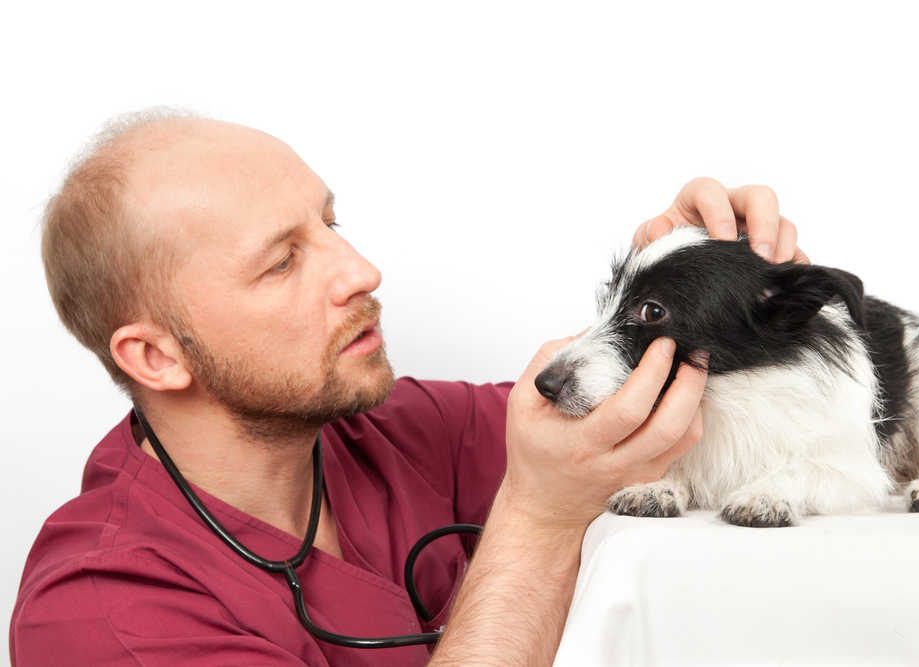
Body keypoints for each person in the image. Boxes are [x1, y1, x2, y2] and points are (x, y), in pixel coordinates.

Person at [10, 109, 804, 666]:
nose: (360, 271)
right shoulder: (99, 614)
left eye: (331, 223)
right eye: (283, 260)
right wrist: (537, 517)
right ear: (154, 357)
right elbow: (552, 488)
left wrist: (703, 278)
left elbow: (661, 421)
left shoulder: (400, 431)